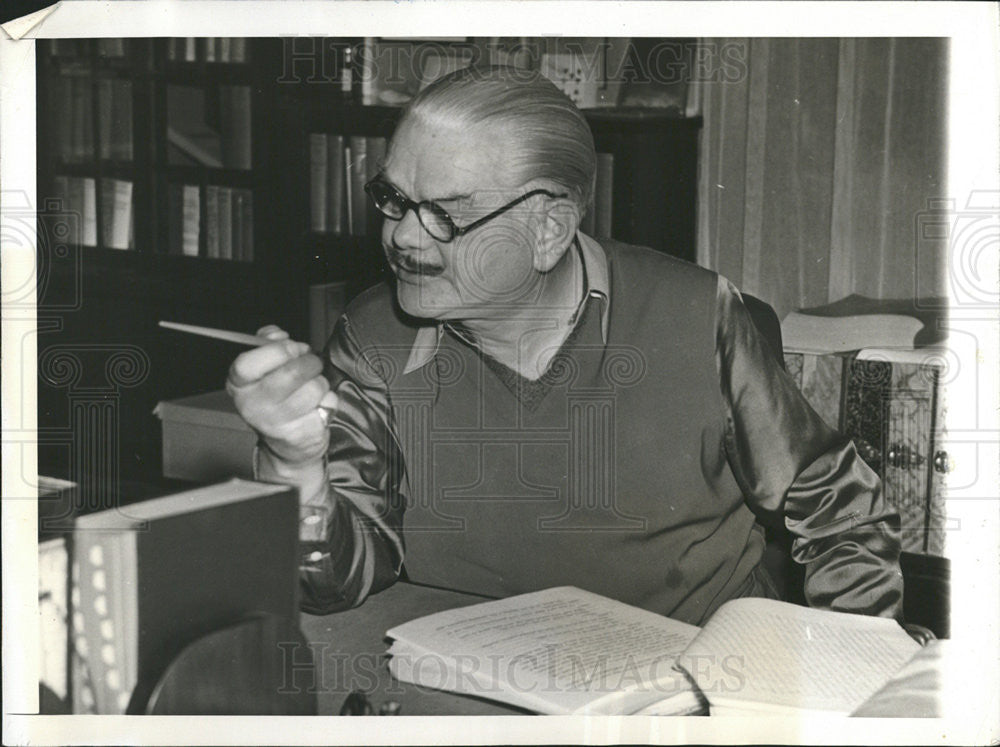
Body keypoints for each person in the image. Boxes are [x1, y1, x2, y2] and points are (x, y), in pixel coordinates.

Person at [227, 66, 903, 626]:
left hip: (683, 685)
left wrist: (842, 673)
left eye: (444, 214)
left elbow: (841, 505)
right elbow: (336, 583)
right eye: (394, 199)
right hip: (464, 685)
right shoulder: (372, 338)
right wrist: (294, 465)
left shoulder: (699, 317)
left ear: (549, 227)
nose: (404, 237)